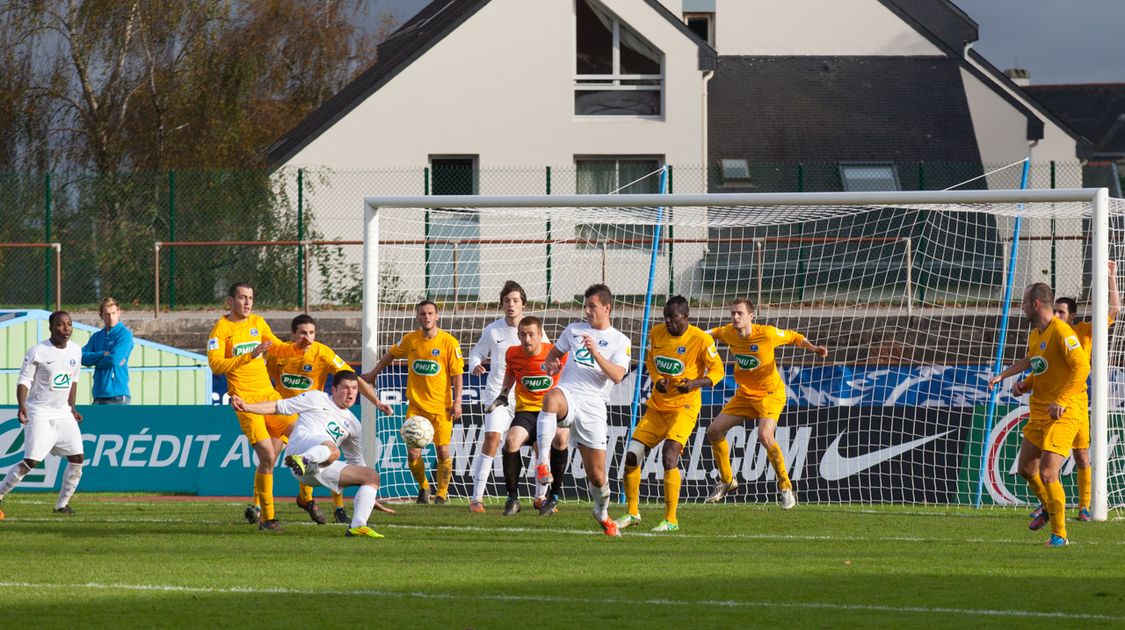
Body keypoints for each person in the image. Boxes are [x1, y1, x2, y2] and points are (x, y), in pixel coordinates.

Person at [232, 371, 393, 539]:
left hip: (318, 469)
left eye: (354, 388)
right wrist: (247, 407)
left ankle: (358, 525)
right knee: (333, 449)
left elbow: (356, 461)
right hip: (299, 449)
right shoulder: (317, 398)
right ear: (334, 389)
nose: (350, 392)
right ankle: (303, 459)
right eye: (345, 388)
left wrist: (368, 495)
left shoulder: (354, 425)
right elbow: (278, 406)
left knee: (371, 476)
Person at [987, 283, 1088, 547]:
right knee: (1026, 469)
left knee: (1047, 472)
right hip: (1040, 411)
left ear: (1035, 304)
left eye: (1023, 303)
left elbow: (1082, 368)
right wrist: (1011, 378)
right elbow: (1034, 362)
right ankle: (1047, 507)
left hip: (1064, 413)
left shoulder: (1062, 332)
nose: (1020, 308)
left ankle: (1060, 535)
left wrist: (1062, 400)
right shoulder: (1036, 333)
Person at [267, 314, 392, 525]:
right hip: (286, 411)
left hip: (314, 411)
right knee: (268, 457)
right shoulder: (278, 355)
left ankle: (338, 508)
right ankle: (265, 511)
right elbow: (267, 379)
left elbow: (352, 377)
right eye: (303, 333)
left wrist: (377, 402)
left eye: (312, 333)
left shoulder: (323, 353)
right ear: (293, 335)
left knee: (330, 449)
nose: (308, 337)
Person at [704, 298, 828, 508]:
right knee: (714, 431)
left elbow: (794, 337)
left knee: (764, 435)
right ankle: (727, 481)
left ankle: (785, 487)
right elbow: (709, 334)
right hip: (745, 395)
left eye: (740, 313)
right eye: (733, 313)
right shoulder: (728, 332)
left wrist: (813, 348)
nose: (735, 317)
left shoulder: (767, 333)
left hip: (770, 394)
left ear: (751, 316)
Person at [615, 296, 724, 532]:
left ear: (686, 317)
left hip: (684, 408)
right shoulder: (656, 333)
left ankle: (671, 520)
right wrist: (657, 380)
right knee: (632, 456)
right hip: (657, 407)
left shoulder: (701, 339)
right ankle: (632, 513)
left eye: (673, 317)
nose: (668, 322)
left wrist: (695, 383)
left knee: (669, 455)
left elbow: (719, 371)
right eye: (665, 317)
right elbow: (651, 361)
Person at [208, 282, 309, 531]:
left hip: (269, 396)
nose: (247, 302)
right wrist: (250, 355)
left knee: (304, 434)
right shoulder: (220, 330)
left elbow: (276, 346)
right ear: (230, 301)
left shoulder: (258, 323)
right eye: (242, 297)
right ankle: (268, 518)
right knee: (267, 455)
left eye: (251, 298)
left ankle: (305, 498)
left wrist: (296, 345)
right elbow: (216, 366)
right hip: (245, 400)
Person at [536, 284, 631, 536]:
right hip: (569, 394)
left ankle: (601, 511)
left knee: (598, 477)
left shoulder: (620, 340)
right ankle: (543, 464)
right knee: (551, 398)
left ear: (607, 308)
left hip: (594, 406)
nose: (587, 311)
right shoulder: (573, 330)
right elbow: (551, 357)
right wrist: (551, 365)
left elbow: (618, 376)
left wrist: (596, 354)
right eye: (585, 306)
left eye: (592, 306)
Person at [362, 300, 463, 505]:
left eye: (430, 313)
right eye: (423, 314)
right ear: (418, 317)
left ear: (437, 316)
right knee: (412, 453)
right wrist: (373, 375)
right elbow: (389, 355)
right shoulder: (410, 340)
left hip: (441, 408)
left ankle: (442, 494)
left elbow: (457, 374)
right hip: (416, 407)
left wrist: (458, 401)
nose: (427, 317)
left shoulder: (449, 342)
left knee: (443, 451)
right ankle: (424, 488)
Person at [466, 281, 552, 513]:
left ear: (523, 303)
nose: (511, 305)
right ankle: (476, 499)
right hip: (499, 396)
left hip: (529, 400)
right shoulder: (493, 330)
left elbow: (550, 359)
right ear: (502, 304)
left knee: (540, 445)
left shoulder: (537, 332)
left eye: (515, 300)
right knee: (493, 440)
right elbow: (476, 352)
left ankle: (540, 498)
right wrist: (475, 364)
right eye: (507, 301)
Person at [0, 311, 84, 519]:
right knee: (31, 461)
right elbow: (24, 380)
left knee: (77, 458)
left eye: (69, 325)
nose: (66, 329)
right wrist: (22, 406)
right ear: (51, 328)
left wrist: (72, 407)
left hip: (63, 413)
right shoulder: (38, 351)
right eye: (60, 325)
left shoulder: (75, 350)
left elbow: (73, 381)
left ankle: (61, 505)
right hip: (40, 413)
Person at [489, 316, 567, 516]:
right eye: (523, 335)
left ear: (540, 335)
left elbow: (570, 374)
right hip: (527, 411)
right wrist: (504, 393)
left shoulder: (555, 353)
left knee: (560, 438)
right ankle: (512, 498)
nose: (527, 339)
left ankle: (553, 496)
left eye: (531, 334)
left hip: (551, 411)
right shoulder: (513, 353)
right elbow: (511, 372)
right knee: (511, 441)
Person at [81, 297, 134, 404]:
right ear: (101, 315)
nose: (111, 317)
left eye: (113, 313)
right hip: (98, 394)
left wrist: (95, 362)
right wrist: (101, 354)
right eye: (107, 314)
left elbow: (114, 359)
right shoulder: (96, 337)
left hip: (117, 396)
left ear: (119, 312)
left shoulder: (124, 335)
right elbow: (81, 357)